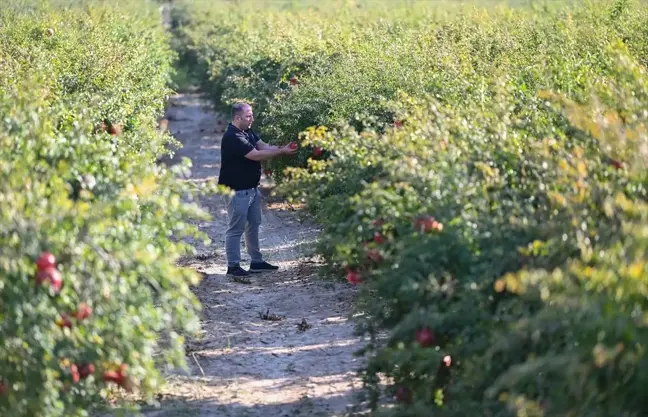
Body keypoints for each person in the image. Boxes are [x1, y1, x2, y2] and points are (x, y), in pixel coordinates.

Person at [217, 102, 297, 277]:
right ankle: (233, 266)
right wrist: (281, 153)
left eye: (251, 115)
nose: (251, 118)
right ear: (237, 118)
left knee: (253, 225)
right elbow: (255, 155)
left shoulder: (247, 131)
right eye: (248, 116)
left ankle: (257, 262)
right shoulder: (233, 136)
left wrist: (282, 148)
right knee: (236, 228)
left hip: (251, 188)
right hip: (236, 190)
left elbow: (263, 146)